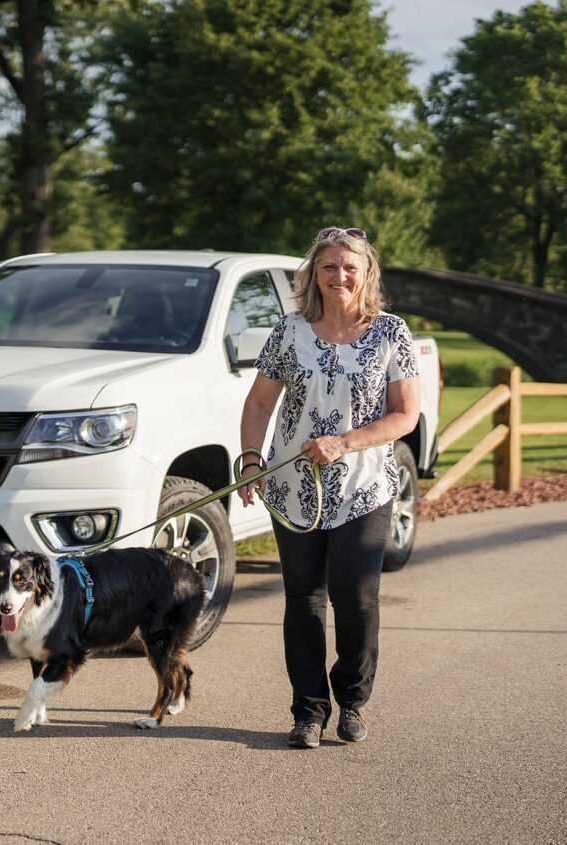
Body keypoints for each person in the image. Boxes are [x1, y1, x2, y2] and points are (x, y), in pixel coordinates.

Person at [238, 226, 420, 749]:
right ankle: (309, 712)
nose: (339, 275)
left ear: (366, 275)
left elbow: (405, 416)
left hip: (365, 487)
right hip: (294, 488)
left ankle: (354, 700)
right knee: (303, 599)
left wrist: (344, 442)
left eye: (349, 267)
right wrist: (252, 459)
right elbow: (257, 405)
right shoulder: (288, 331)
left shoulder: (391, 333)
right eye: (329, 266)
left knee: (357, 597)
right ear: (313, 274)